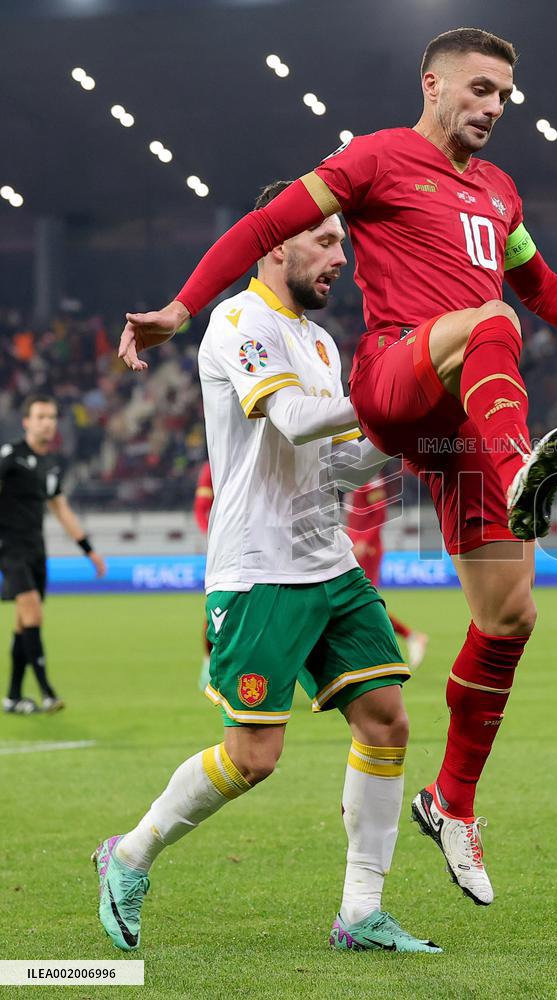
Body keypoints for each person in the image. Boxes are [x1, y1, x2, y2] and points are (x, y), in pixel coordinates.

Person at [116, 27, 557, 906]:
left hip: (460, 420)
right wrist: (181, 305)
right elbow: (267, 225)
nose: (493, 107)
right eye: (479, 88)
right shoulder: (374, 159)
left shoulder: (498, 192)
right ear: (432, 84)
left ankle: (451, 802)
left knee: (509, 615)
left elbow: (543, 287)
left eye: (504, 95)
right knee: (492, 320)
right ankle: (522, 471)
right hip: (396, 371)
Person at [93, 184, 439, 955]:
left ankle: (360, 912)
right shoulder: (237, 323)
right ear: (277, 241)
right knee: (255, 757)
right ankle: (130, 854)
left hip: (329, 562)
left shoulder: (320, 343)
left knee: (385, 719)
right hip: (259, 571)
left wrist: (405, 432)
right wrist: (390, 394)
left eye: (342, 242)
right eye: (325, 241)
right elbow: (292, 418)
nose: (341, 257)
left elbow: (340, 464)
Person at [1, 394, 106, 714]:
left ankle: (13, 697)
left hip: (36, 549)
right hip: (10, 548)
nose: (47, 423)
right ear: (26, 422)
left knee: (23, 624)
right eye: (40, 417)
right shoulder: (11, 456)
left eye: (51, 417)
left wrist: (88, 550)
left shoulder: (51, 464)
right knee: (33, 615)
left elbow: (60, 508)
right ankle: (47, 692)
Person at [345, 472, 429, 670]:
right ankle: (407, 637)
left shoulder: (370, 478)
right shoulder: (352, 478)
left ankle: (408, 637)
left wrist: (365, 541)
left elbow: (380, 514)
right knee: (356, 600)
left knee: (362, 600)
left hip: (368, 550)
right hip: (353, 546)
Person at [193, 460, 213, 690]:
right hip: (227, 550)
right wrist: (212, 536)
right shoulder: (213, 466)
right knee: (216, 608)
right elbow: (201, 508)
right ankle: (208, 662)